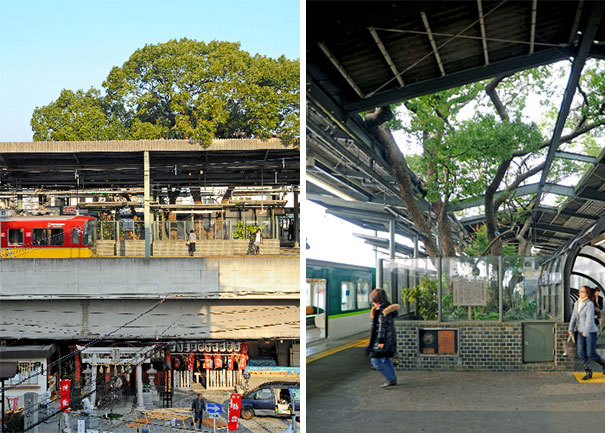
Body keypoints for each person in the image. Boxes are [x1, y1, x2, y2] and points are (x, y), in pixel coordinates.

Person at [568, 286, 605, 380]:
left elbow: (589, 319)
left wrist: (586, 331)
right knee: (580, 352)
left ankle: (604, 364)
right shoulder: (577, 303)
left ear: (587, 293)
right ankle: (588, 370)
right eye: (580, 291)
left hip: (590, 332)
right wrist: (570, 328)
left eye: (582, 291)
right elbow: (574, 317)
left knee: (591, 353)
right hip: (580, 331)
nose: (580, 293)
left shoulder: (589, 304)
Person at [366, 288, 400, 388]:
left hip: (382, 340)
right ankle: (392, 378)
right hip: (388, 339)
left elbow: (381, 327)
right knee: (386, 359)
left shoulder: (381, 311)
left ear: (375, 299)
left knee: (375, 361)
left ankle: (390, 378)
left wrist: (379, 342)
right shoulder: (387, 309)